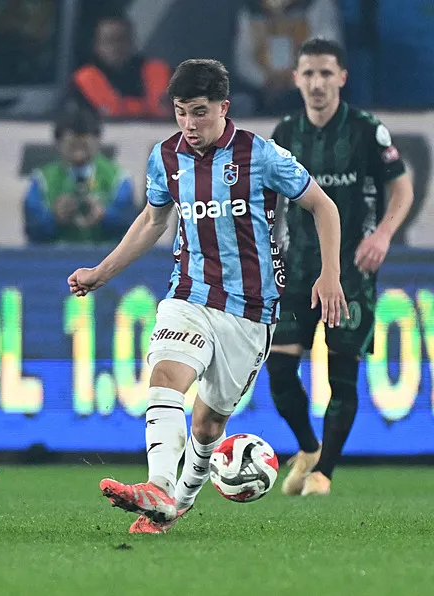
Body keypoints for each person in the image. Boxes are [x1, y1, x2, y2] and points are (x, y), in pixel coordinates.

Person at [67, 59, 346, 534]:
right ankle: (157, 485)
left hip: (250, 310)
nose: (189, 125)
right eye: (180, 112)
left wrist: (331, 275)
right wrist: (102, 271)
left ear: (224, 107)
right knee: (165, 373)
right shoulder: (165, 158)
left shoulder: (261, 156)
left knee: (208, 426)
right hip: (189, 293)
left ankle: (175, 504)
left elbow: (323, 205)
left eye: (199, 112)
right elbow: (154, 221)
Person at [265, 38, 413, 496]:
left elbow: (401, 188)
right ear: (295, 79)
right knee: (279, 370)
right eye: (308, 73)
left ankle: (323, 473)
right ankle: (308, 447)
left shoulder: (368, 131)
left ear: (342, 78)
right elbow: (267, 198)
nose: (317, 83)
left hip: (350, 271)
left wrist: (383, 234)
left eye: (326, 73)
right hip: (297, 268)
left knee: (341, 375)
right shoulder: (285, 133)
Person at [24, 104, 137, 244]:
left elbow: (131, 227)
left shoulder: (118, 179)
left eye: (84, 146)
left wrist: (104, 216)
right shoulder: (42, 180)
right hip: (55, 259)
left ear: (97, 141)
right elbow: (31, 228)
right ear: (58, 144)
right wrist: (54, 217)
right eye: (72, 146)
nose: (78, 155)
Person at [71, 14, 171, 119]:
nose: (116, 46)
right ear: (96, 46)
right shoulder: (81, 83)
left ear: (132, 42)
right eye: (109, 40)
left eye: (122, 39)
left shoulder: (162, 73)